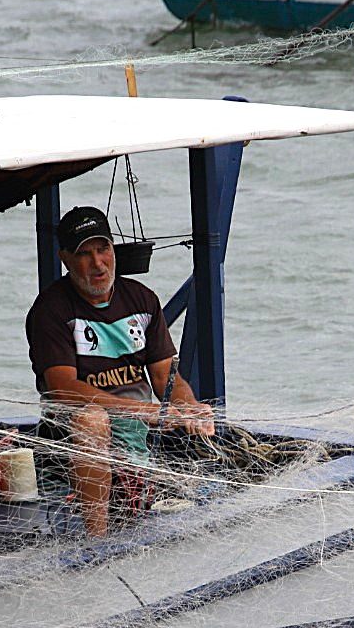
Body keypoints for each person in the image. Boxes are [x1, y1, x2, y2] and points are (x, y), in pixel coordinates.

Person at [26, 205, 214, 536]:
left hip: (135, 433)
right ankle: (97, 540)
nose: (98, 264)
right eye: (84, 254)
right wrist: (146, 411)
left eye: (103, 250)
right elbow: (63, 388)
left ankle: (135, 495)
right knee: (92, 420)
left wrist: (189, 406)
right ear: (65, 259)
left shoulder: (141, 299)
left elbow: (166, 376)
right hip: (73, 435)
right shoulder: (50, 311)